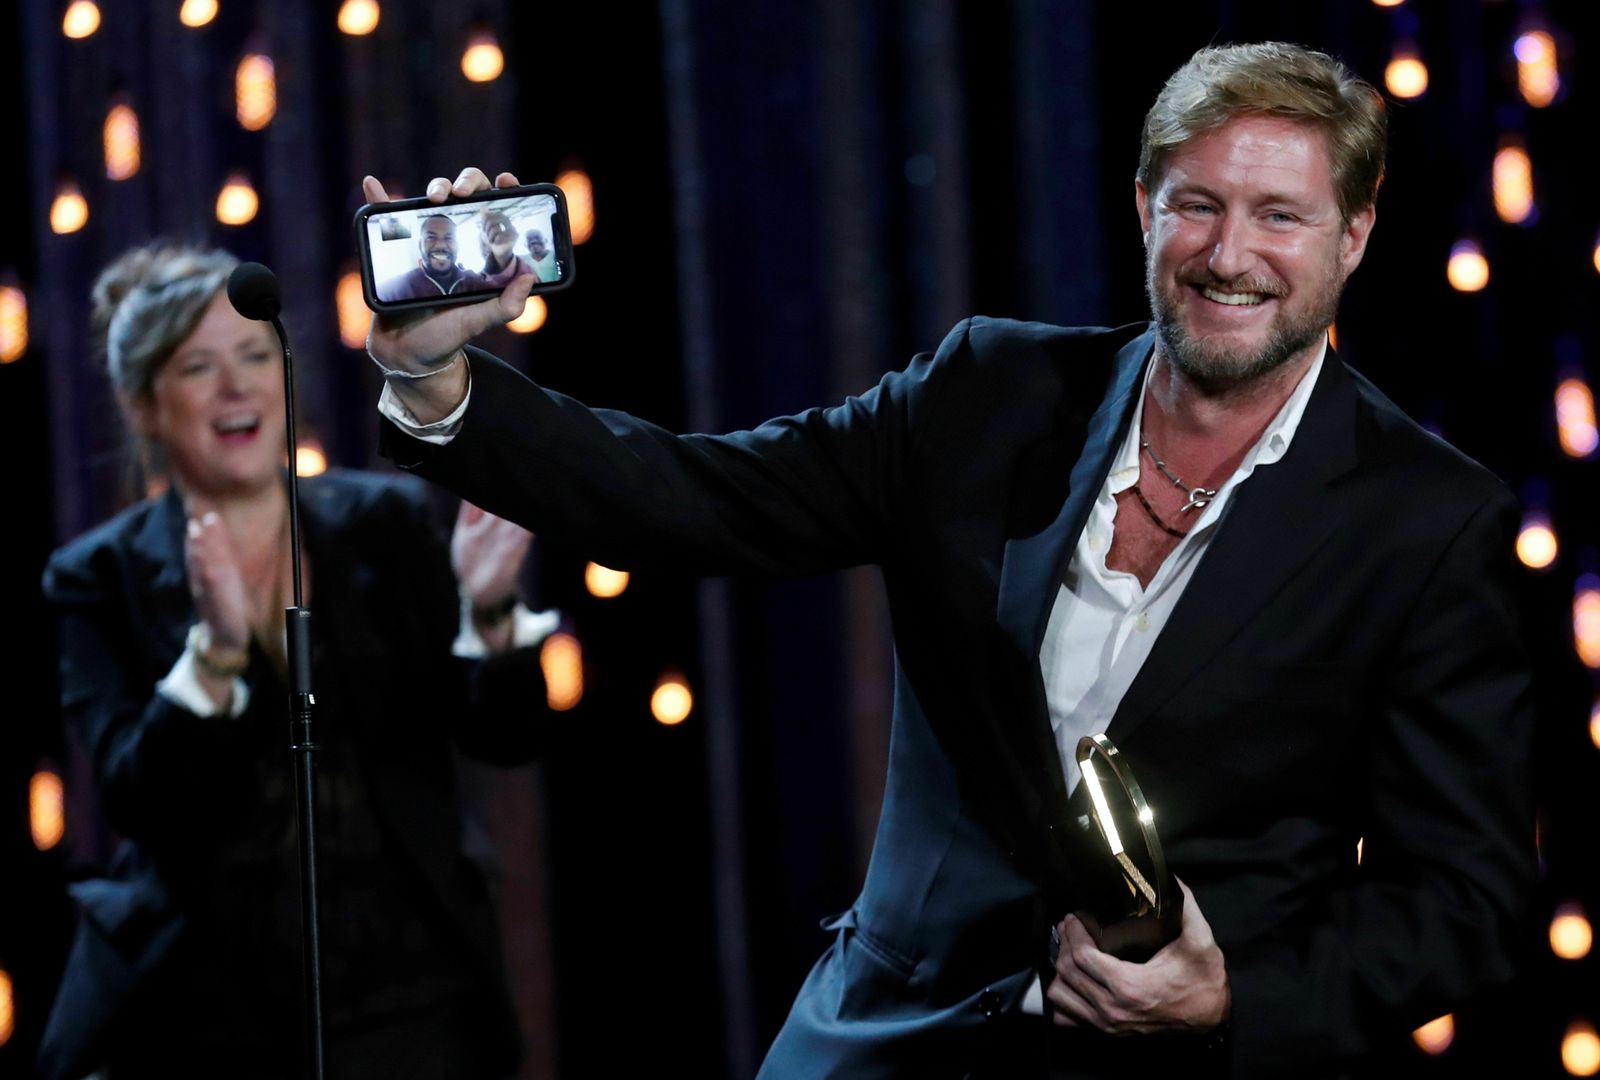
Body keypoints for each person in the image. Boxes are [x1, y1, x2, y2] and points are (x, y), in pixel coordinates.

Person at [361, 41, 1532, 1078]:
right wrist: (434, 378)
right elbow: (696, 500)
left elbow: (1463, 898)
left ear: (1353, 235)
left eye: (1279, 216)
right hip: (887, 1036)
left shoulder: (1424, 521)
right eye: (1196, 205)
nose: (1230, 254)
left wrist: (1230, 999)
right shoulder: (989, 391)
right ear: (1142, 208)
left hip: (1172, 1058)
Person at [38, 244, 560, 1080]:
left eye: (254, 356)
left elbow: (504, 737)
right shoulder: (97, 579)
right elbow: (141, 803)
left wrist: (490, 614)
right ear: (145, 406)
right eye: (199, 367)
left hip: (416, 1001)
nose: (237, 387)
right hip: (207, 1016)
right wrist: (215, 655)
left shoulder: (385, 521)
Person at [378, 213, 487, 301]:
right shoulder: (395, 290)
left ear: (458, 245)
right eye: (431, 238)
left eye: (449, 238)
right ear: (420, 245)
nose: (441, 245)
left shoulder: (475, 282)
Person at [477, 210, 529, 289]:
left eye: (493, 239)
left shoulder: (525, 266)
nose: (489, 249)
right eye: (484, 245)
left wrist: (504, 256)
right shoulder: (475, 281)